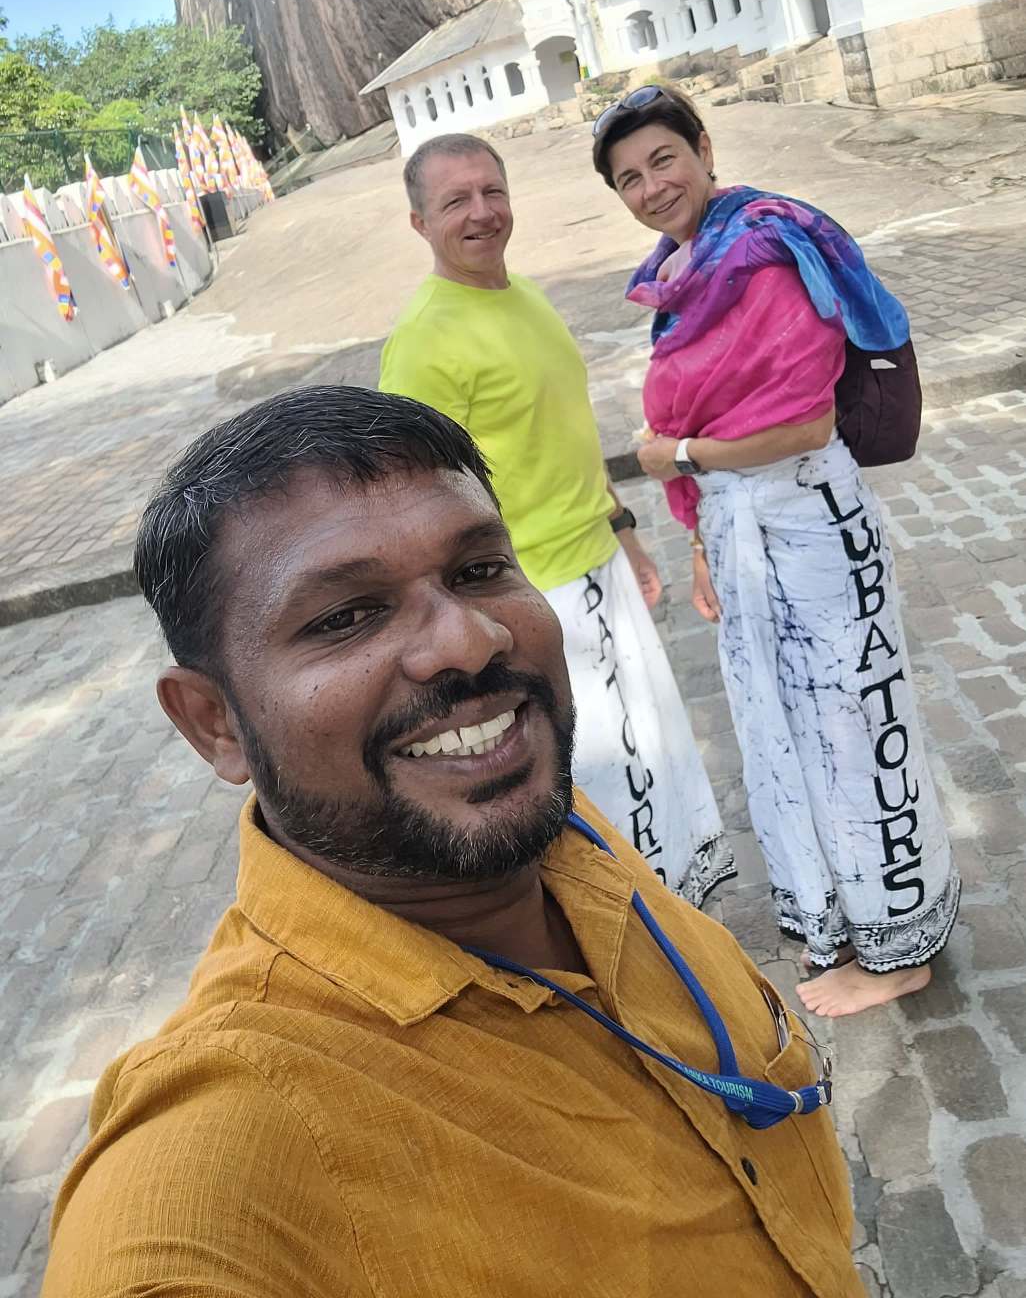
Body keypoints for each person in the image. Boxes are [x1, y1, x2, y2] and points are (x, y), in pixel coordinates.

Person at [44, 386, 863, 1297]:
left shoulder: (545, 823)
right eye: (345, 616)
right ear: (214, 722)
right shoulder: (225, 1149)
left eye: (478, 570)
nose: (470, 642)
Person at [592, 85, 959, 1020]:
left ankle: (899, 951)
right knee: (787, 731)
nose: (651, 187)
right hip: (743, 528)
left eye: (664, 159)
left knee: (853, 728)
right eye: (629, 178)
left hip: (809, 524)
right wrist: (701, 537)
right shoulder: (685, 270)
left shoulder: (760, 253)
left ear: (704, 148)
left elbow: (803, 424)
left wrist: (676, 457)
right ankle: (843, 918)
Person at [378, 132, 733, 907]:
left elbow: (565, 436)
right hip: (534, 594)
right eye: (456, 201)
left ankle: (672, 919)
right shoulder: (424, 342)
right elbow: (415, 505)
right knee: (598, 782)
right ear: (419, 223)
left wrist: (624, 530)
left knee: (652, 753)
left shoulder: (524, 294)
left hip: (597, 564)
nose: (482, 213)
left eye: (492, 192)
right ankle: (623, 931)